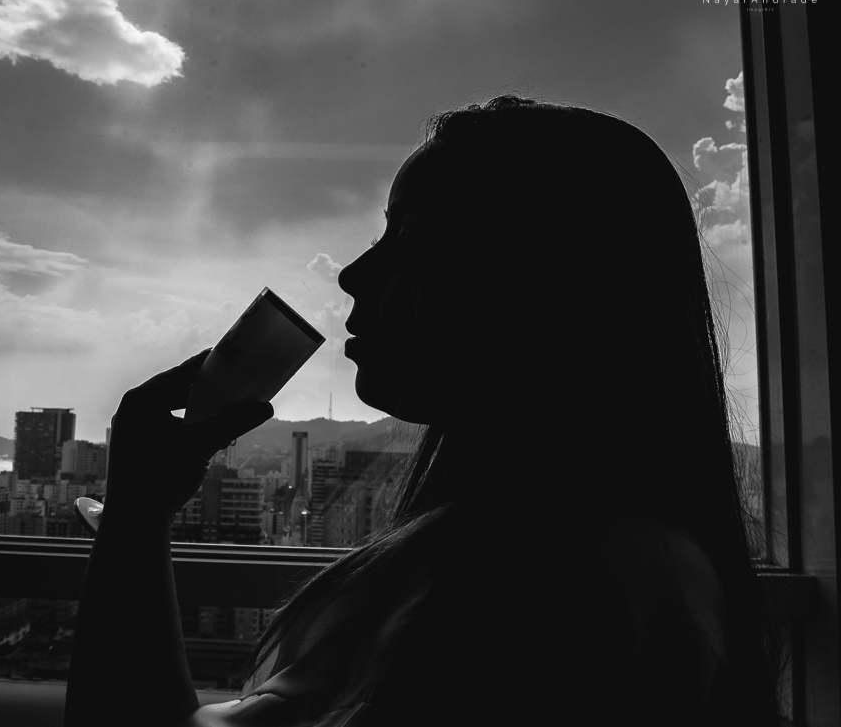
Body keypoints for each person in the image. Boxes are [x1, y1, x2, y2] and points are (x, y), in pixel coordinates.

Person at [63, 96, 783, 727]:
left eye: (409, 235)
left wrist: (134, 515)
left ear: (538, 276)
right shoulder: (525, 551)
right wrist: (138, 510)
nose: (352, 273)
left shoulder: (597, 582)